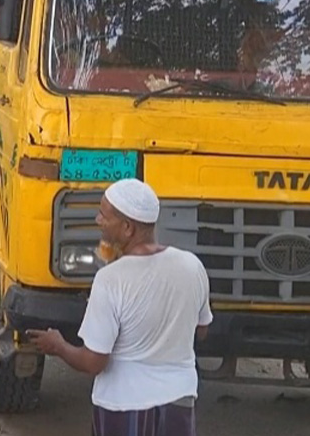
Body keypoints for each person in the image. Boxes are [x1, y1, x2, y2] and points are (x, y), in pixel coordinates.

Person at [28, 179, 211, 436]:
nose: (98, 220)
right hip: (179, 400)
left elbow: (93, 362)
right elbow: (201, 330)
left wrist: (58, 346)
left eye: (104, 215)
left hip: (124, 406)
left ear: (127, 228)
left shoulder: (111, 279)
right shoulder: (192, 266)